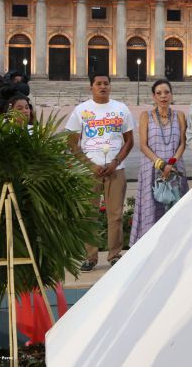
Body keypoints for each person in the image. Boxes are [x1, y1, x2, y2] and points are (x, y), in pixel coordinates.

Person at [66, 73, 135, 271]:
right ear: (91, 87)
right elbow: (71, 142)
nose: (102, 86)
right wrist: (89, 165)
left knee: (115, 215)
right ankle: (90, 257)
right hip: (90, 171)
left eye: (106, 83)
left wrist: (116, 161)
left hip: (116, 169)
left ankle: (114, 255)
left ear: (110, 86)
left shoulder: (121, 109)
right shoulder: (82, 110)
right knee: (90, 215)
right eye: (98, 84)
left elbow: (129, 141)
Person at [130, 79, 189, 245]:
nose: (163, 96)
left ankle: (175, 244)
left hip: (175, 169)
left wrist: (170, 163)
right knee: (151, 208)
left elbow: (182, 143)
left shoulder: (179, 115)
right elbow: (143, 145)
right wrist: (161, 164)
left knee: (175, 209)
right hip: (151, 169)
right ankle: (149, 246)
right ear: (153, 97)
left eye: (166, 92)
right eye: (159, 93)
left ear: (171, 95)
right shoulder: (145, 116)